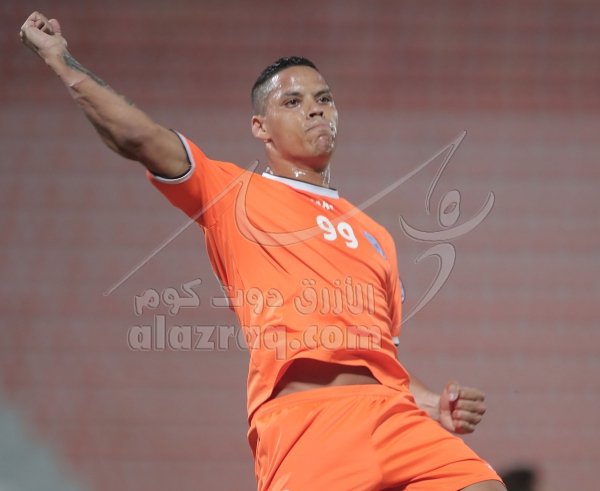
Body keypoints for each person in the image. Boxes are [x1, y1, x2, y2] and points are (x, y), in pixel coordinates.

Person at [20, 11, 505, 491]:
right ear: (261, 127)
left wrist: (430, 403)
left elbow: (378, 359)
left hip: (394, 420)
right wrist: (62, 61)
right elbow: (137, 136)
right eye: (293, 101)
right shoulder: (232, 193)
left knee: (483, 486)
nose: (315, 109)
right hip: (305, 429)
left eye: (323, 98)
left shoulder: (377, 236)